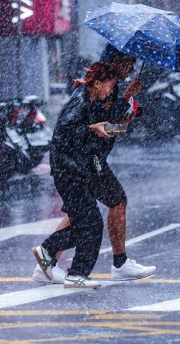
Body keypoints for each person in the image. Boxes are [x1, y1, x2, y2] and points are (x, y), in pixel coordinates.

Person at [32, 46, 157, 284]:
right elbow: (86, 124)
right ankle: (60, 260)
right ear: (116, 63)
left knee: (85, 214)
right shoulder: (96, 88)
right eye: (129, 64)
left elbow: (107, 122)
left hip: (90, 158)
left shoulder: (110, 85)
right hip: (84, 161)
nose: (131, 69)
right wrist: (121, 102)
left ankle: (49, 260)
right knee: (93, 216)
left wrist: (128, 107)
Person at [32, 62, 121, 289]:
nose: (111, 91)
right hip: (68, 170)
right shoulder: (80, 101)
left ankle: (48, 250)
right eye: (110, 86)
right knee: (91, 223)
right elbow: (64, 134)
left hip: (75, 168)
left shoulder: (90, 101)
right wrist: (92, 129)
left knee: (86, 223)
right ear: (98, 83)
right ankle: (76, 274)